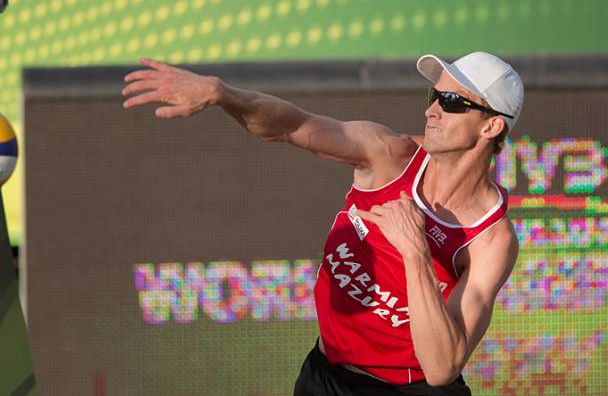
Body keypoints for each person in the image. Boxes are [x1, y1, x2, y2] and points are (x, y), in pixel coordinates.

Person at [122, 52, 522, 395]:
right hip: (326, 375)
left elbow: (441, 367)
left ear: (491, 126)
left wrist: (415, 252)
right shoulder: (389, 156)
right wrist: (222, 94)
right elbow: (292, 125)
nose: (431, 109)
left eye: (452, 101)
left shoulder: (490, 237)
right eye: (434, 95)